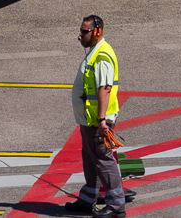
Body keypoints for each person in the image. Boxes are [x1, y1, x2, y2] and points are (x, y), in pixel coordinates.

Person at [65, 15, 126, 217]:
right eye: (81, 30)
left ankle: (116, 206)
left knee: (103, 160)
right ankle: (87, 199)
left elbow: (105, 89)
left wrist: (101, 120)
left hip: (98, 120)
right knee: (90, 159)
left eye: (84, 31)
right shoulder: (94, 52)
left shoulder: (101, 56)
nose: (80, 35)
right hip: (89, 119)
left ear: (96, 32)